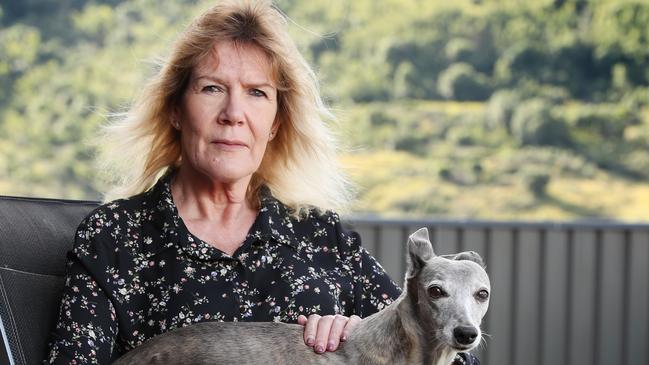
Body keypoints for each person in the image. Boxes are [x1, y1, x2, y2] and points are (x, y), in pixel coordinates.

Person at [45, 1, 478, 364]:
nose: (234, 112)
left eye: (257, 93)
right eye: (212, 88)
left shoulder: (325, 239)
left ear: (274, 122)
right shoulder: (116, 237)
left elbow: (452, 349)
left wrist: (362, 336)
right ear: (175, 109)